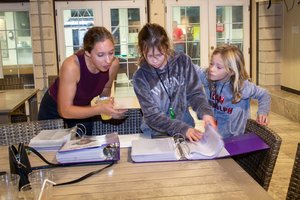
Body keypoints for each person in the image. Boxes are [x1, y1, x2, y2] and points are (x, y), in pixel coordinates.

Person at [132, 23, 216, 142]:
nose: (155, 60)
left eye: (159, 55)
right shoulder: (140, 77)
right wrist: (181, 128)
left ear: (166, 47)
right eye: (149, 56)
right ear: (142, 51)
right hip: (156, 134)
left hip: (186, 129)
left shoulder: (183, 62)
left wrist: (206, 113)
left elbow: (195, 94)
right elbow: (152, 116)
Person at [38, 26, 127, 134]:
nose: (108, 60)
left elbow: (106, 88)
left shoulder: (113, 64)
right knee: (50, 148)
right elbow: (64, 111)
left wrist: (108, 109)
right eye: (100, 55)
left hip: (83, 107)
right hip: (54, 108)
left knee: (84, 145)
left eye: (111, 53)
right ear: (88, 53)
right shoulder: (71, 66)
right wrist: (100, 109)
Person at [197, 44, 271, 138]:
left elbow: (264, 94)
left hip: (234, 138)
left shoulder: (242, 87)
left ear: (231, 71)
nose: (211, 69)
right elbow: (192, 68)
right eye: (211, 63)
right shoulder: (207, 76)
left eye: (219, 67)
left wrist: (263, 112)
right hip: (213, 135)